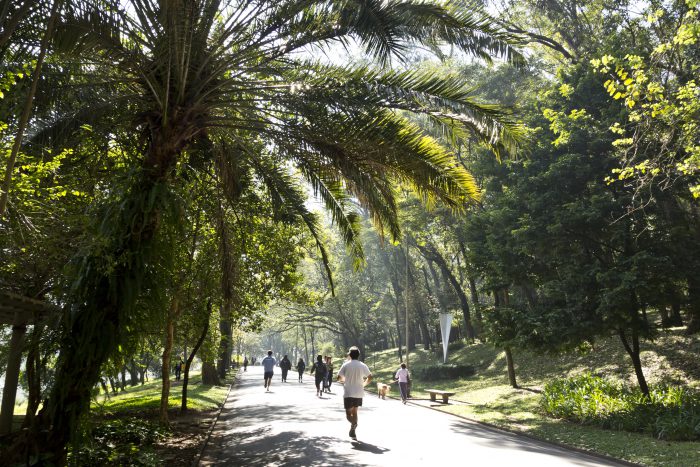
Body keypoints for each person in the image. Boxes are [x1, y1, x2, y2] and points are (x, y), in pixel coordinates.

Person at [337, 346, 372, 440]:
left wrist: (344, 380)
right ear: (358, 355)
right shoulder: (362, 365)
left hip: (348, 392)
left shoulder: (346, 365)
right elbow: (370, 377)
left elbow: (339, 377)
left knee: (348, 414)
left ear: (350, 355)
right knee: (355, 412)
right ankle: (353, 430)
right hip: (359, 392)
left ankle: (353, 424)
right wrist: (363, 384)